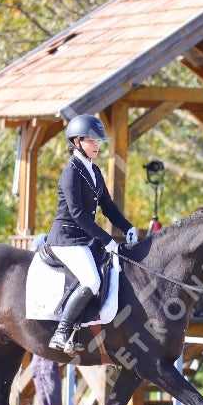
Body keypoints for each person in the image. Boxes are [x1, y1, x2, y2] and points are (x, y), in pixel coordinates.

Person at [43, 114, 137, 354]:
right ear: (76, 142)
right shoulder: (71, 172)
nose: (97, 145)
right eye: (92, 141)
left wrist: (128, 228)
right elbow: (76, 213)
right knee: (92, 280)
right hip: (66, 238)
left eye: (98, 141)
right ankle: (61, 333)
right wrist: (107, 240)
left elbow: (108, 206)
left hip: (83, 238)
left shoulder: (93, 170)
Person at [29, 234, 63, 405]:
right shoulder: (38, 269)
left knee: (48, 368)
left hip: (52, 321)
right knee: (37, 369)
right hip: (40, 320)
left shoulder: (55, 268)